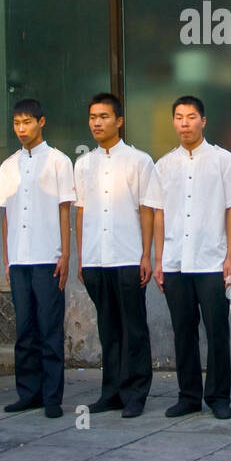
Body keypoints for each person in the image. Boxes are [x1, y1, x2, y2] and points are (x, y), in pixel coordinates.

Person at [144, 95, 231, 419]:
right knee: (182, 330)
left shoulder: (223, 161)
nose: (185, 123)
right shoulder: (164, 165)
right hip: (175, 262)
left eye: (191, 117)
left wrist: (230, 258)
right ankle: (188, 396)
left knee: (217, 331)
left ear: (204, 121)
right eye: (179, 117)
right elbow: (158, 215)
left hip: (211, 261)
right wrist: (159, 261)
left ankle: (218, 397)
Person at [75, 92, 156, 418]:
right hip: (96, 258)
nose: (97, 122)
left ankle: (135, 392)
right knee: (108, 328)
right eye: (93, 117)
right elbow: (80, 212)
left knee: (133, 327)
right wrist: (82, 257)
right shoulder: (83, 163)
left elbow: (148, 210)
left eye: (104, 116)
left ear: (119, 121)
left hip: (128, 255)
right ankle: (111, 392)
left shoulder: (139, 161)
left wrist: (146, 256)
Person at [0, 98, 75, 418]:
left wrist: (65, 255)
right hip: (19, 258)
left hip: (48, 256)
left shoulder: (58, 162)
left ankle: (52, 396)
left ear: (41, 123)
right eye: (17, 123)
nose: (21, 129)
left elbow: (64, 210)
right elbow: (6, 216)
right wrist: (7, 256)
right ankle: (28, 392)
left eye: (27, 122)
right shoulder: (8, 165)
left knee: (49, 329)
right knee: (24, 329)